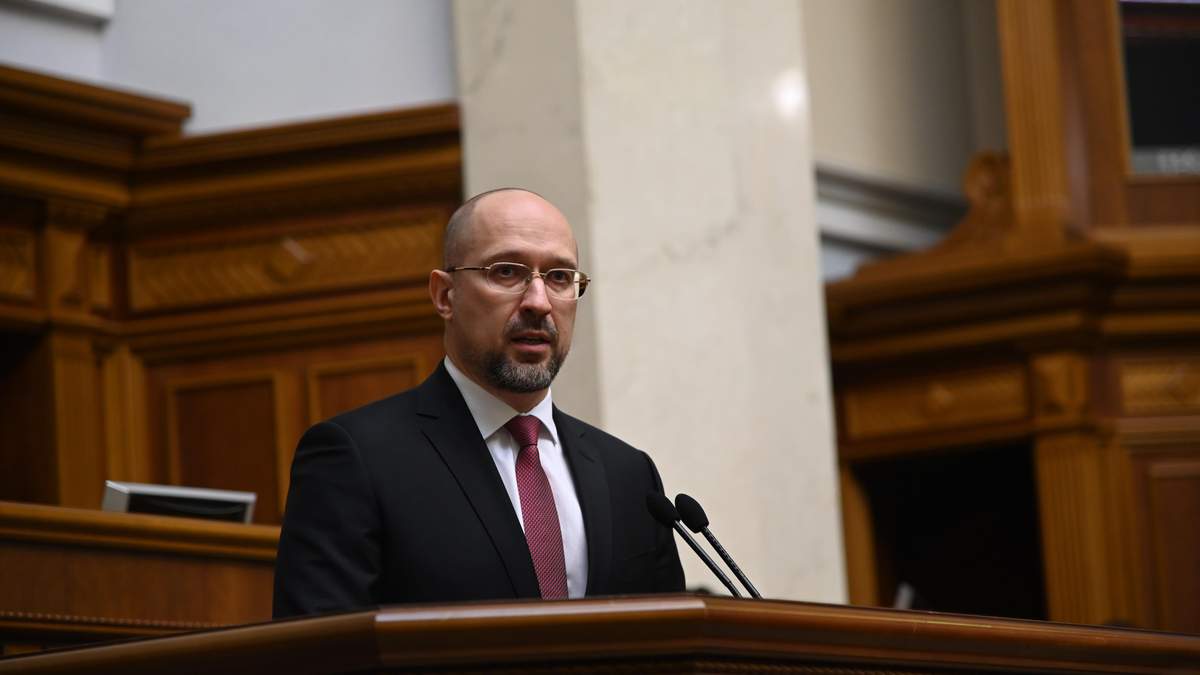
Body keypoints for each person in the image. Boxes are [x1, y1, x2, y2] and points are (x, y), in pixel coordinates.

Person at [273, 188, 685, 617]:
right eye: (507, 272)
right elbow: (318, 642)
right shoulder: (357, 458)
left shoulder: (628, 475)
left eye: (560, 277)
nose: (539, 302)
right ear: (444, 295)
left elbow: (672, 639)